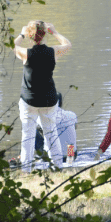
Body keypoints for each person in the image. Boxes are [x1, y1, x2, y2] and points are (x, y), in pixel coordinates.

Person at [14, 20, 71, 170]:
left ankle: (26, 170)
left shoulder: (26, 53)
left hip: (29, 101)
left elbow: (13, 46)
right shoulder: (53, 52)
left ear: (30, 35)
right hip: (49, 100)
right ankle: (58, 167)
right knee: (51, 133)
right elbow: (68, 44)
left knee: (28, 135)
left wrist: (22, 34)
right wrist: (55, 32)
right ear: (45, 34)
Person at [35, 92, 77, 157]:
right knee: (70, 135)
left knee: (33, 131)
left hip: (52, 157)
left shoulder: (42, 117)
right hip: (71, 155)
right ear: (61, 102)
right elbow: (75, 128)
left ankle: (32, 157)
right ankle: (70, 161)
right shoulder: (72, 115)